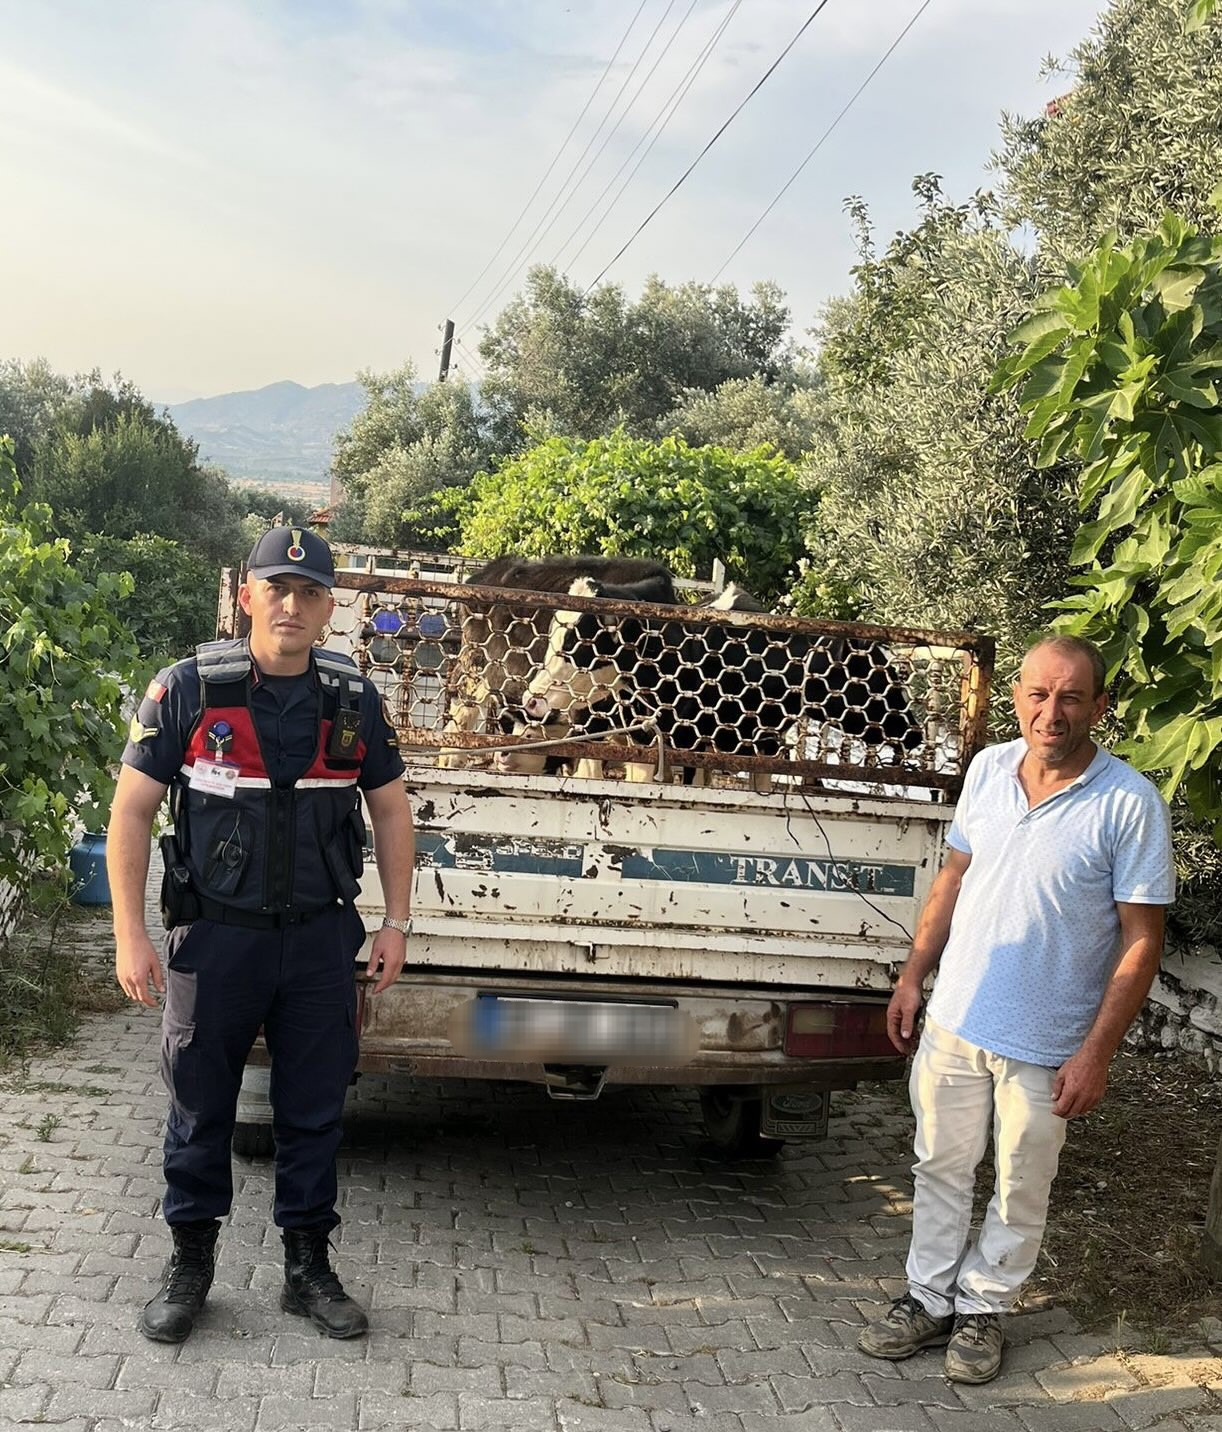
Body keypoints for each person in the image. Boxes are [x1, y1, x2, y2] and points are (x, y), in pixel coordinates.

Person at [108, 526, 415, 1344]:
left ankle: (308, 1270)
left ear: (329, 609)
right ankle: (189, 1265)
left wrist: (396, 923)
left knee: (313, 1114)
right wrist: (129, 935)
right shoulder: (186, 693)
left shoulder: (351, 700)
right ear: (246, 595)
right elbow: (130, 813)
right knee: (199, 1110)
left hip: (318, 943)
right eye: (276, 588)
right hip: (216, 942)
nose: (291, 604)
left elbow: (390, 810)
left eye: (309, 592)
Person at [857, 633, 1174, 1384]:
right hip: (957, 1019)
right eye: (1038, 693)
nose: (1051, 711)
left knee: (1021, 1182)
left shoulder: (1129, 803)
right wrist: (912, 980)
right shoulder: (987, 770)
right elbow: (952, 879)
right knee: (939, 1164)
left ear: (1099, 706)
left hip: (1049, 1041)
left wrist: (1096, 1049)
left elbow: (1141, 941)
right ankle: (927, 1299)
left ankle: (983, 1310)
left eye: (1071, 697)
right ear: (1017, 698)